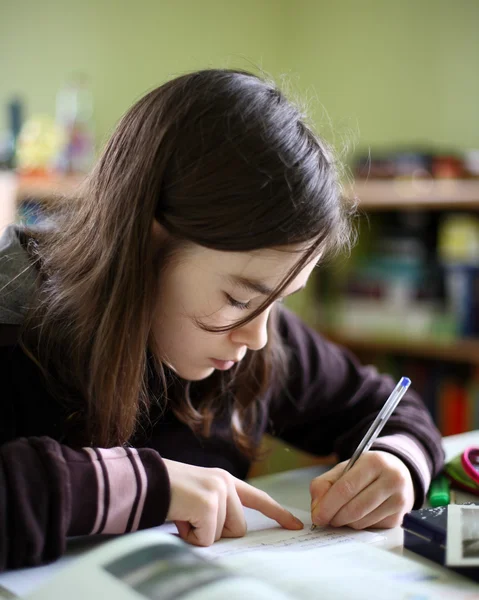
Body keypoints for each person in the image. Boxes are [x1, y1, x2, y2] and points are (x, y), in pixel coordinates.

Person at [0, 68, 443, 571]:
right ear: (143, 243)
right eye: (238, 297)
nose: (257, 335)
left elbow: (386, 406)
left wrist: (397, 462)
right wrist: (141, 485)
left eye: (280, 300)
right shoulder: (15, 316)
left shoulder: (258, 337)